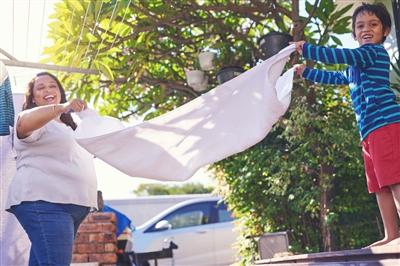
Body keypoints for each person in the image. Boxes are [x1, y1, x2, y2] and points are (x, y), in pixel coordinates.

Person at [292, 2, 400, 247]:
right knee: (380, 186)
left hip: (386, 125)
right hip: (370, 133)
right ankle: (392, 235)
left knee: (394, 179)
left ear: (385, 31)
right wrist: (306, 72)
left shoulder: (373, 53)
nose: (366, 29)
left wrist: (307, 49)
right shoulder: (356, 66)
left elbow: (341, 55)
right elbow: (336, 76)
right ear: (354, 33)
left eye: (373, 24)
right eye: (360, 26)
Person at [5, 72, 98, 265]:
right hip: (46, 202)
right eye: (40, 88)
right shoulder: (35, 120)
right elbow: (23, 122)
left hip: (73, 205)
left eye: (52, 86)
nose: (48, 90)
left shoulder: (70, 126)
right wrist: (61, 107)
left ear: (60, 91)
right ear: (32, 98)